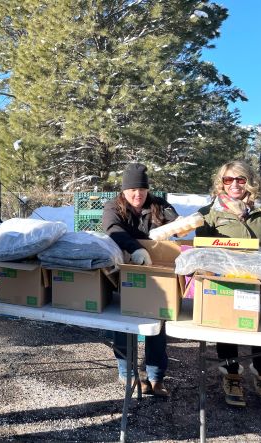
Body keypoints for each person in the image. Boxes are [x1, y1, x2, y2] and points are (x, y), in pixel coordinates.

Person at [196, 160, 261, 410]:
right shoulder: (209, 212)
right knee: (227, 329)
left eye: (240, 179)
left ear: (249, 182)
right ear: (221, 182)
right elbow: (203, 250)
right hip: (227, 281)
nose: (234, 184)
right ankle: (231, 377)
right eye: (228, 180)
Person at [102, 162, 179, 397]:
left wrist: (180, 225)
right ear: (124, 190)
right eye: (132, 190)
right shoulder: (113, 207)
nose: (138, 195)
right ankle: (128, 373)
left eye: (142, 190)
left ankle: (156, 377)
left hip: (157, 275)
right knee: (125, 324)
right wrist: (136, 248)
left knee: (157, 325)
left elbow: (177, 223)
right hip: (125, 272)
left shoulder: (159, 206)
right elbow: (113, 229)